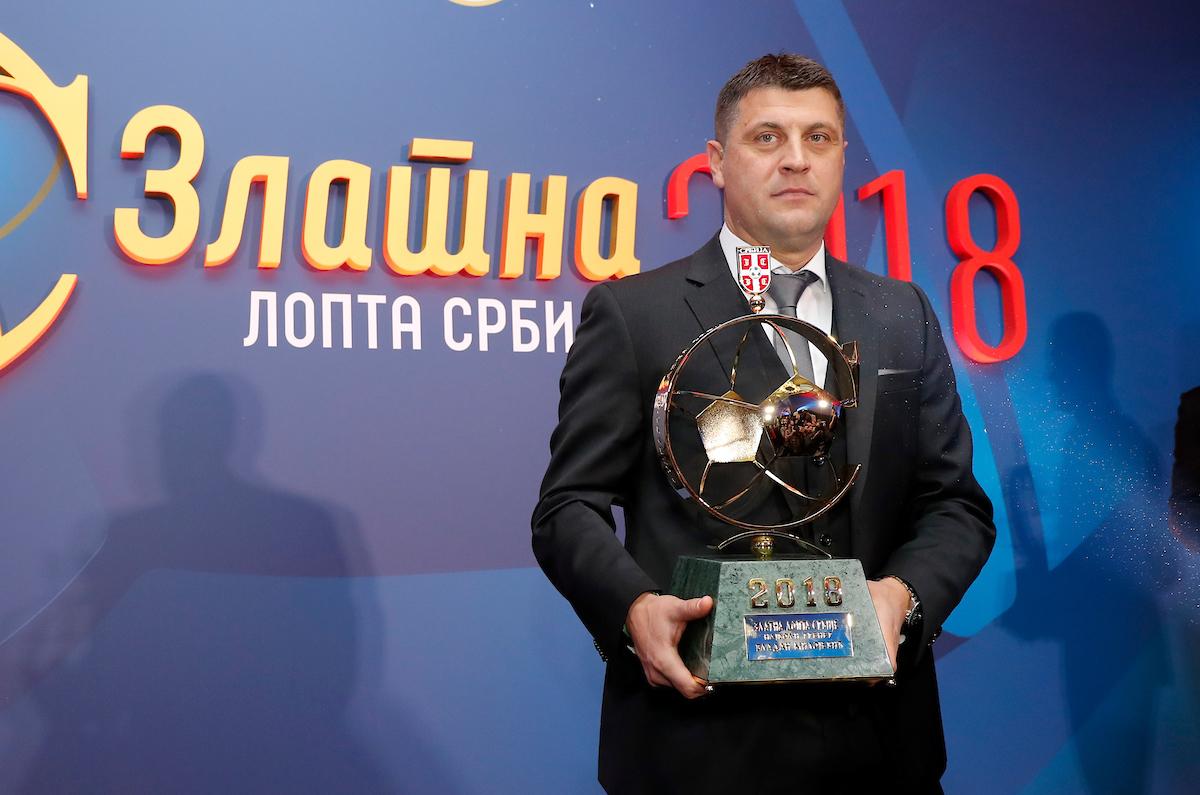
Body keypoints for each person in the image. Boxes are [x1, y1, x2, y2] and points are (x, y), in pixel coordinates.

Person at [532, 54, 995, 793]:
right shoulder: (633, 315)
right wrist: (633, 610)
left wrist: (903, 597)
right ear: (717, 161)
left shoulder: (901, 312)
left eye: (819, 138)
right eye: (767, 137)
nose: (796, 159)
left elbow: (956, 504)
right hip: (699, 750)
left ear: (842, 157)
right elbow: (566, 508)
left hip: (883, 750)